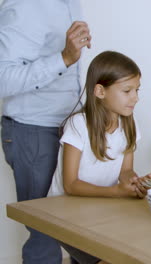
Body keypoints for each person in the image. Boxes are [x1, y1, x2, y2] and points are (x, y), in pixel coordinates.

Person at [0, 0, 91, 263]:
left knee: (80, 225)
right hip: (34, 131)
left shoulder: (71, 3)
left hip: (72, 128)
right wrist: (63, 58)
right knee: (44, 231)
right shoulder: (23, 6)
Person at [47, 51, 150, 264]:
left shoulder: (129, 123)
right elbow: (71, 185)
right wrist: (117, 192)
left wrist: (133, 182)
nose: (136, 97)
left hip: (100, 207)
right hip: (62, 213)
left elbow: (124, 171)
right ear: (100, 91)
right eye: (127, 91)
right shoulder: (78, 125)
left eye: (137, 90)